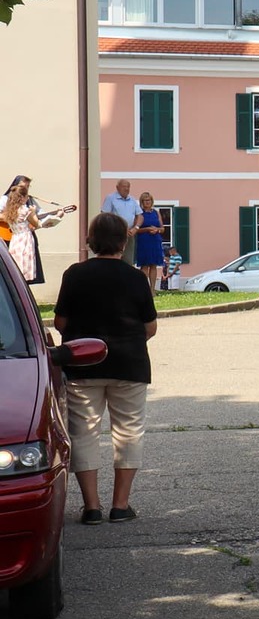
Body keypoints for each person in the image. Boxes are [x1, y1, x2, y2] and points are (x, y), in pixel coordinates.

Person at [53, 213, 157, 525]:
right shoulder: (136, 278)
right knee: (128, 431)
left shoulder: (75, 274)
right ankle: (120, 505)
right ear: (123, 242)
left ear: (91, 241)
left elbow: (60, 322)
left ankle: (92, 507)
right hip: (130, 364)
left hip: (83, 365)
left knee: (83, 431)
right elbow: (150, 327)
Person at [2, 176, 64, 284]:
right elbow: (37, 224)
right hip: (25, 239)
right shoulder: (24, 210)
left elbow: (38, 216)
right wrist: (57, 216)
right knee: (25, 265)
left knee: (17, 265)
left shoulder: (11, 210)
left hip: (15, 239)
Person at [102, 179, 142, 267]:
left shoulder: (132, 199)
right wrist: (119, 228)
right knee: (114, 259)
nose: (126, 189)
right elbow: (105, 216)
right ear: (117, 187)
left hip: (129, 234)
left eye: (128, 187)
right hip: (115, 234)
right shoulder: (110, 198)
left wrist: (136, 228)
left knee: (128, 261)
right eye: (124, 186)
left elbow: (140, 216)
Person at [133, 192, 166, 291]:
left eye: (149, 200)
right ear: (142, 202)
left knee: (153, 265)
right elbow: (136, 229)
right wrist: (147, 229)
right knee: (145, 265)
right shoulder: (139, 213)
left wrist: (157, 230)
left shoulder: (156, 212)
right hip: (144, 241)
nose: (147, 202)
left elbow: (162, 228)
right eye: (145, 200)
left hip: (155, 240)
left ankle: (152, 289)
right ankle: (144, 288)